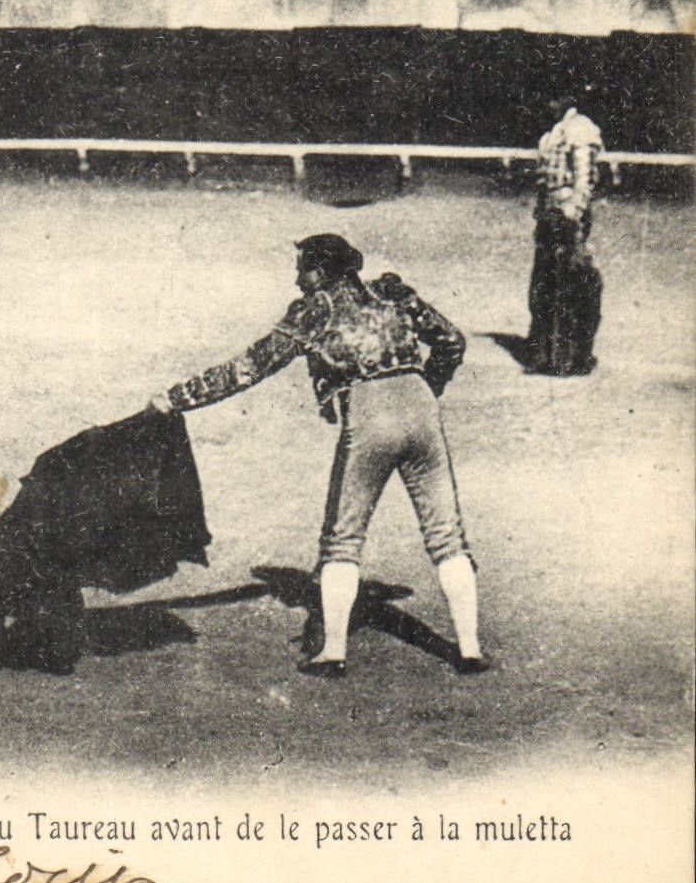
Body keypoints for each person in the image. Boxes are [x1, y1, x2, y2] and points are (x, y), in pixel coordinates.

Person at [147, 234, 489, 678]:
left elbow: (249, 367)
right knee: (446, 534)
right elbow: (451, 341)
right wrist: (428, 387)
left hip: (369, 410)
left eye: (303, 268)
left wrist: (177, 398)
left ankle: (332, 652)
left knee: (342, 539)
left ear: (322, 271)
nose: (296, 278)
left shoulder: (314, 312)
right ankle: (469, 648)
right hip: (421, 407)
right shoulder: (391, 293)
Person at [527, 96, 605, 375]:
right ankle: (547, 356)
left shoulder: (580, 128)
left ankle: (571, 358)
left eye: (554, 99)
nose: (547, 105)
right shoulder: (552, 133)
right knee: (544, 287)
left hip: (569, 218)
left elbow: (585, 178)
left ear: (566, 101)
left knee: (571, 286)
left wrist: (574, 213)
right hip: (550, 216)